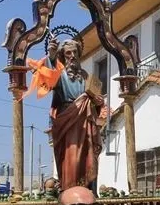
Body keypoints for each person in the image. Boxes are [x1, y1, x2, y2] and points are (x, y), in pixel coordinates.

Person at [26, 35, 105, 190]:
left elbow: (98, 101)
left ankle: (87, 190)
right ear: (63, 56)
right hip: (67, 120)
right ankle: (70, 190)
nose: (72, 56)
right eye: (68, 53)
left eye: (75, 52)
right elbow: (49, 77)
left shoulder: (86, 76)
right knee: (71, 158)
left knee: (87, 158)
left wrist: (97, 101)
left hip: (85, 122)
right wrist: (52, 56)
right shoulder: (60, 76)